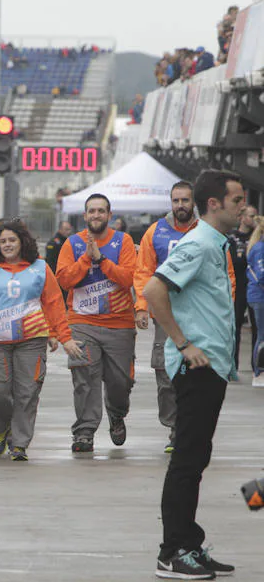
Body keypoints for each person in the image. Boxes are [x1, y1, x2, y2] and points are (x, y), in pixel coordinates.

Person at [144, 170, 244, 580]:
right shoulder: (200, 242)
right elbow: (154, 290)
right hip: (196, 367)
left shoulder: (215, 243)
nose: (244, 206)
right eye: (237, 200)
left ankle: (189, 542)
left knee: (196, 458)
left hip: (212, 367)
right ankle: (172, 553)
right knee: (186, 460)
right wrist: (183, 343)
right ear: (215, 204)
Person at [0, 222, 83, 461]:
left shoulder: (40, 267)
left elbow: (54, 303)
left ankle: (19, 444)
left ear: (22, 241)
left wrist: (64, 337)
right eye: (3, 241)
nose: (7, 245)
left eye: (12, 240)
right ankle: (0, 429)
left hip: (32, 340)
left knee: (27, 392)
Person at [55, 193, 137, 453]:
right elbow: (64, 280)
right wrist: (86, 259)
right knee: (84, 378)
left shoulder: (123, 241)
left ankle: (117, 413)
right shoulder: (72, 243)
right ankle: (85, 431)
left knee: (119, 383)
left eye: (101, 211)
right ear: (85, 215)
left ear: (109, 215)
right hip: (82, 322)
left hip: (119, 324)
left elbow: (128, 279)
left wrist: (102, 260)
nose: (96, 215)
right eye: (92, 211)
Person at [134, 182, 199, 452]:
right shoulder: (155, 232)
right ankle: (173, 426)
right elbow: (143, 272)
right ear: (170, 202)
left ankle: (185, 430)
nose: (180, 205)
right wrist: (141, 306)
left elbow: (225, 273)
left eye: (185, 200)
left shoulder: (205, 231)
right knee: (165, 372)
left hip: (198, 316)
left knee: (195, 373)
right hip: (164, 315)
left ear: (193, 202)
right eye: (176, 200)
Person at [229, 205, 258, 376]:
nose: (253, 219)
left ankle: (257, 366)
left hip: (253, 286)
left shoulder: (258, 237)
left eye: (255, 216)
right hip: (238, 285)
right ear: (241, 217)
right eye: (250, 216)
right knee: (235, 326)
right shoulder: (232, 237)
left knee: (257, 327)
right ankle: (233, 365)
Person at [245, 215, 264, 387]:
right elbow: (261, 275)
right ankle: (259, 372)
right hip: (259, 297)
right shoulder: (260, 248)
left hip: (258, 296)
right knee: (262, 335)